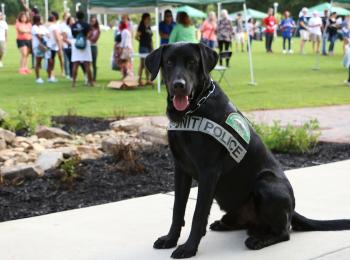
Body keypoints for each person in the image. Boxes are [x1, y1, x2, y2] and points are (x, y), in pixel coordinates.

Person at [71, 11, 93, 87]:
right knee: (87, 64)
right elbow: (91, 32)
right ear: (83, 16)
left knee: (75, 64)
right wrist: (86, 38)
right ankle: (91, 82)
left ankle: (73, 82)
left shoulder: (73, 25)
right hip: (85, 43)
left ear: (76, 17)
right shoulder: (86, 24)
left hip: (75, 43)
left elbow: (73, 34)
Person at [31, 15, 50, 84]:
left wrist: (43, 35)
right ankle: (38, 78)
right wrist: (44, 35)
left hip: (45, 46)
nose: (42, 20)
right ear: (38, 20)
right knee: (38, 62)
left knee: (49, 61)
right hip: (38, 46)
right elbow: (39, 36)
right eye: (41, 19)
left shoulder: (42, 27)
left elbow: (48, 34)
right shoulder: (34, 27)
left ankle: (49, 77)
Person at [136, 13, 153, 86]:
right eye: (148, 18)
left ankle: (147, 80)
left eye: (150, 18)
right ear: (144, 19)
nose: (149, 20)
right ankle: (139, 80)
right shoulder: (141, 27)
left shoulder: (149, 27)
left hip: (149, 47)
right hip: (143, 47)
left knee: (147, 64)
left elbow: (150, 37)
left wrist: (152, 47)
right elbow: (136, 36)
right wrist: (142, 41)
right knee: (143, 64)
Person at [46, 12, 61, 83]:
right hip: (52, 47)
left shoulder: (47, 26)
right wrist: (60, 46)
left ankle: (50, 76)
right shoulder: (54, 26)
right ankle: (51, 77)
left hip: (48, 46)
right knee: (51, 62)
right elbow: (57, 37)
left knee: (49, 62)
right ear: (54, 19)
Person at [89, 15, 101, 83]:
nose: (92, 22)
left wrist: (89, 36)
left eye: (93, 21)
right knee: (88, 63)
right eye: (91, 21)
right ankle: (88, 78)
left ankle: (94, 78)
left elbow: (94, 39)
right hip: (88, 47)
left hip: (93, 47)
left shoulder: (97, 30)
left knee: (94, 63)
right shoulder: (89, 28)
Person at [59, 12, 71, 78]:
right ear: (64, 17)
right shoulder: (61, 25)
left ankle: (70, 72)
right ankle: (67, 72)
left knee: (70, 59)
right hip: (64, 43)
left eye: (69, 16)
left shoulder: (70, 24)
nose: (68, 17)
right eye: (66, 16)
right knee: (66, 58)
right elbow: (59, 34)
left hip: (70, 43)